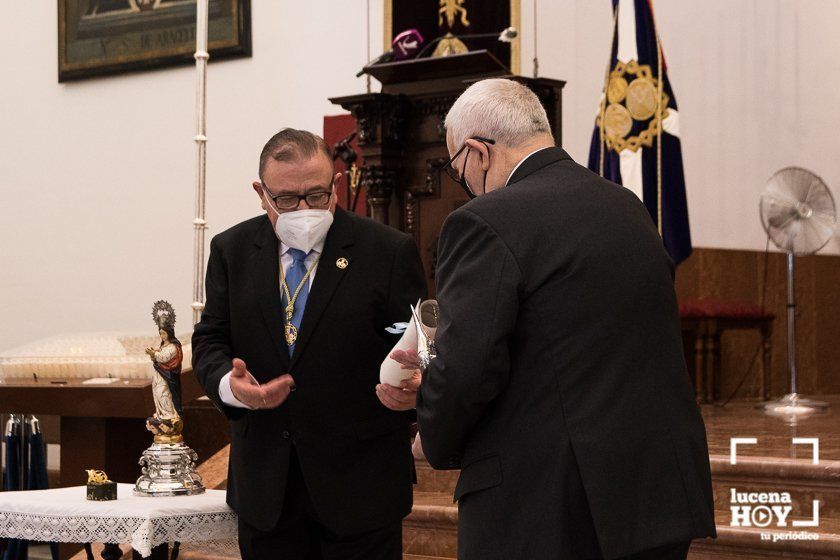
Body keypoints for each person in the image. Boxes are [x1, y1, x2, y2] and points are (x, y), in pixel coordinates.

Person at [379, 79, 716, 560]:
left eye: (459, 170)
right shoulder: (627, 207)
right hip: (655, 489)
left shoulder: (485, 220)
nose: (466, 185)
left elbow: (469, 367)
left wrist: (431, 431)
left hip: (549, 503)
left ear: (478, 152)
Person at [192, 129, 426, 560]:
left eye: (316, 195)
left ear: (336, 185)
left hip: (361, 487)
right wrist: (230, 385)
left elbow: (419, 344)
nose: (304, 209)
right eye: (286, 199)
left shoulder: (388, 251)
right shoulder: (231, 250)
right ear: (261, 194)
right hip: (268, 490)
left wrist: (416, 381)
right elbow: (210, 339)